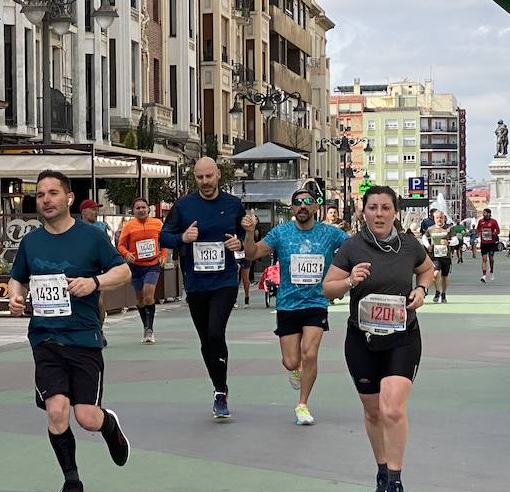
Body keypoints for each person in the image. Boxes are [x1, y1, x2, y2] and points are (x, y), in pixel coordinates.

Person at [8, 170, 132, 492]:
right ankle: (72, 483)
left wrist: (93, 283)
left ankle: (108, 425)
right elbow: (16, 279)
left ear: (68, 199)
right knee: (57, 412)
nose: (45, 199)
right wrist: (14, 298)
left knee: (86, 418)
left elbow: (123, 271)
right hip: (45, 338)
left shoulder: (91, 237)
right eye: (40, 194)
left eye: (52, 193)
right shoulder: (31, 242)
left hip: (84, 337)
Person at [322, 185, 435, 492]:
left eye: (386, 208)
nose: (379, 214)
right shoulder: (351, 247)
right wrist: (349, 281)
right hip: (361, 341)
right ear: (364, 212)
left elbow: (427, 269)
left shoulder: (410, 246)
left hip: (403, 337)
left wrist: (422, 290)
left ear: (395, 212)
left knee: (392, 408)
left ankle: (397, 481)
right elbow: (327, 289)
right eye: (373, 208)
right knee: (373, 412)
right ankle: (383, 470)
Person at [244, 180, 349, 426]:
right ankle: (296, 370)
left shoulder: (330, 233)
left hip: (316, 302)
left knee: (310, 353)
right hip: (288, 304)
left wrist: (342, 279)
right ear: (291, 209)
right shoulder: (281, 233)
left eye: (308, 202)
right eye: (297, 203)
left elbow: (354, 249)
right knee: (292, 361)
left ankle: (302, 404)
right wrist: (250, 233)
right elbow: (251, 254)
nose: (302, 206)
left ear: (316, 207)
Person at [159, 156, 248, 419]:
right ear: (194, 178)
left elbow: (243, 235)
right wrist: (182, 238)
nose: (205, 182)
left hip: (224, 280)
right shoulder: (184, 205)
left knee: (214, 333)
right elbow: (164, 236)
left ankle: (220, 392)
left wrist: (239, 244)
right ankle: (219, 385)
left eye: (209, 176)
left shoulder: (233, 205)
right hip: (196, 282)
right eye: (200, 177)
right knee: (205, 340)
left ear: (218, 175)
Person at [116, 196, 165, 343]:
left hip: (153, 264)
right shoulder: (129, 226)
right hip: (136, 266)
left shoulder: (157, 223)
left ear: (148, 209)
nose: (141, 210)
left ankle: (149, 330)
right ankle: (146, 325)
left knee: (148, 295)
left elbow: (164, 241)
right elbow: (121, 245)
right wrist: (126, 254)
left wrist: (163, 254)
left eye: (144, 207)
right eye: (138, 208)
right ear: (133, 211)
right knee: (140, 299)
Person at [425, 211, 455, 303]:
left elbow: (456, 240)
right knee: (435, 274)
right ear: (434, 219)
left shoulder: (449, 228)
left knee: (444, 276)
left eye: (441, 218)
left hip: (446, 256)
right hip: (435, 256)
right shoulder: (430, 229)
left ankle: (443, 294)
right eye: (437, 218)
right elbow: (423, 238)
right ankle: (438, 291)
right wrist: (428, 246)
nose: (439, 220)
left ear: (444, 218)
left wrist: (448, 242)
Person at [476, 208, 501, 282]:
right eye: (483, 213)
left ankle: (492, 271)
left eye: (485, 213)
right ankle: (484, 276)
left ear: (489, 213)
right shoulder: (481, 221)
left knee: (491, 259)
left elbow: (498, 231)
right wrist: (479, 232)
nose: (483, 214)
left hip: (491, 242)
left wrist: (494, 233)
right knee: (484, 259)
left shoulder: (493, 221)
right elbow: (477, 229)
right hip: (484, 243)